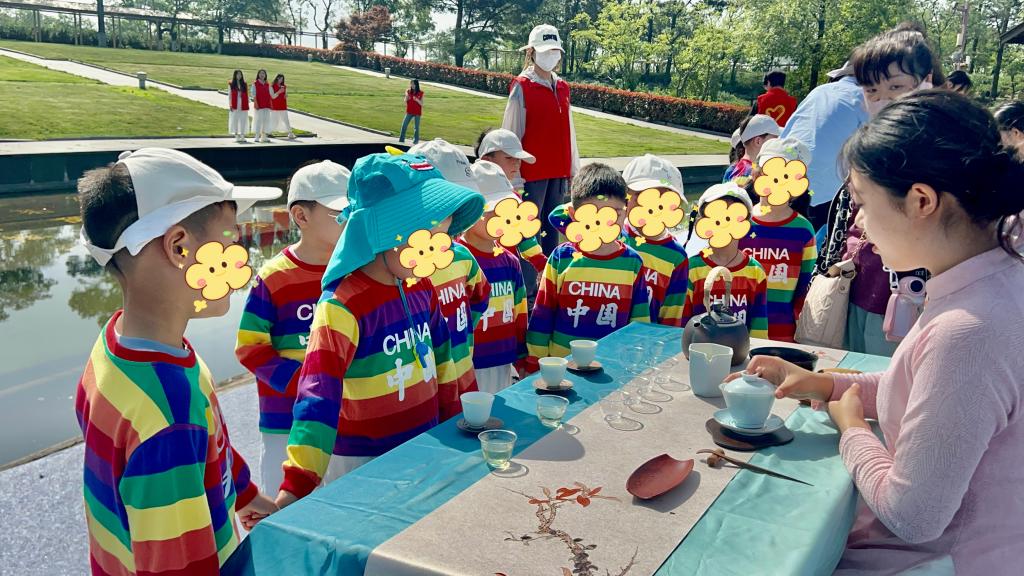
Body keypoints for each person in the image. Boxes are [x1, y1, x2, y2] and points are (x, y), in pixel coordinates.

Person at [737, 90, 1024, 575]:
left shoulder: (969, 331)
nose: (860, 224)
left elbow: (913, 516)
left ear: (921, 201)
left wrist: (851, 427)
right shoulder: (990, 282)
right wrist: (825, 385)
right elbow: (923, 393)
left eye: (863, 203)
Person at [75, 148, 281, 574]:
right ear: (180, 247)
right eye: (229, 242)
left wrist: (247, 496)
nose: (240, 257)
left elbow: (211, 442)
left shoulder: (116, 348)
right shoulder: (169, 418)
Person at [276, 153, 484, 507]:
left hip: (424, 445)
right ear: (384, 230)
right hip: (363, 465)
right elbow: (317, 398)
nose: (435, 255)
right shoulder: (342, 307)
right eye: (427, 242)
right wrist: (296, 486)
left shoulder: (421, 287)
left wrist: (454, 425)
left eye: (442, 242)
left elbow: (444, 362)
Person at [235, 160, 349, 491]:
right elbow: (250, 348)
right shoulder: (273, 278)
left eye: (352, 211)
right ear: (301, 216)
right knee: (285, 502)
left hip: (342, 416)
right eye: (339, 213)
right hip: (286, 419)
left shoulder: (354, 273)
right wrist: (306, 383)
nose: (349, 220)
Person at [842, 27, 937, 356]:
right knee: (855, 371)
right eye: (872, 90)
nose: (884, 100)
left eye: (896, 87)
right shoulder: (869, 145)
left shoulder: (940, 150)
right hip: (861, 284)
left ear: (925, 82)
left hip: (915, 298)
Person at [526, 163, 650, 373]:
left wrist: (636, 365)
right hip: (561, 368)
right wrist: (533, 363)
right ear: (574, 214)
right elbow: (542, 314)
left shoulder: (632, 263)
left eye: (614, 214)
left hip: (613, 368)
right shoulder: (561, 257)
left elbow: (639, 323)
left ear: (626, 211)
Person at [408, 139, 491, 399]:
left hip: (463, 378)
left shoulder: (461, 256)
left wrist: (460, 331)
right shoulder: (398, 269)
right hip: (419, 392)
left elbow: (480, 296)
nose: (454, 210)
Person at [503, 24, 581, 258]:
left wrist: (574, 169)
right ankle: (528, 279)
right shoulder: (522, 86)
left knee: (553, 229)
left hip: (558, 171)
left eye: (554, 51)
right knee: (529, 231)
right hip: (531, 174)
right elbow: (511, 133)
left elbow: (569, 131)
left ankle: (550, 276)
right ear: (532, 52)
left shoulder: (563, 87)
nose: (550, 56)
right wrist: (512, 174)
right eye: (545, 50)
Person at [460, 160, 529, 393]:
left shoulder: (510, 262)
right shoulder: (458, 261)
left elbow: (520, 313)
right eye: (493, 210)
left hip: (502, 361)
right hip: (467, 364)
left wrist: (523, 357)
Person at [738, 138, 817, 342]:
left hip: (781, 334)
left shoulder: (803, 231)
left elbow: (805, 288)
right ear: (756, 175)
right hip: (735, 330)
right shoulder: (737, 222)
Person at [780, 59, 869, 231]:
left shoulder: (819, 91)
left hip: (788, 176)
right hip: (826, 191)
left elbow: (786, 135)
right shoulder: (866, 100)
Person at [681, 183, 768, 339]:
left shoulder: (755, 272)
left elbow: (759, 328)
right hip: (699, 348)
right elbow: (683, 324)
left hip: (740, 350)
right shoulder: (692, 269)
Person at [475, 127, 548, 301]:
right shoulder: (470, 194)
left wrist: (540, 262)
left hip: (505, 270)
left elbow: (523, 235)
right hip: (474, 269)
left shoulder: (513, 197)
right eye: (509, 158)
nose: (516, 164)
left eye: (518, 159)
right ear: (486, 160)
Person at [621, 154, 690, 326]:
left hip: (645, 340)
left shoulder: (676, 257)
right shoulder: (611, 236)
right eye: (642, 197)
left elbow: (671, 319)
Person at [723, 114, 780, 183]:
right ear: (758, 141)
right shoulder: (753, 175)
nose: (777, 144)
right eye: (774, 140)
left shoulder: (734, 168)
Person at [270, 73, 296, 140]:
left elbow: (285, 95)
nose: (281, 80)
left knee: (286, 120)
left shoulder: (284, 86)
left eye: (282, 79)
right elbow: (272, 97)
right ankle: (268, 132)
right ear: (277, 78)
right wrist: (279, 92)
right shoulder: (272, 86)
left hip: (282, 105)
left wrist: (286, 95)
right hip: (275, 106)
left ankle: (290, 133)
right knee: (274, 120)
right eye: (280, 78)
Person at [399, 79, 423, 144]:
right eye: (411, 84)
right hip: (409, 111)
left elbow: (421, 103)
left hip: (417, 112)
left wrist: (417, 100)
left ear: (416, 84)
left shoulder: (421, 92)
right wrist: (407, 97)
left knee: (416, 127)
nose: (412, 85)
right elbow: (405, 100)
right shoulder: (408, 91)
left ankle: (415, 141)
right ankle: (401, 140)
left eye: (413, 84)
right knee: (404, 125)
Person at [229, 69, 249, 143]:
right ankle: (236, 135)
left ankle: (242, 135)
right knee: (235, 120)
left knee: (243, 120)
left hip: (243, 104)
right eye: (237, 74)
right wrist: (230, 104)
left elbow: (246, 94)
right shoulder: (231, 84)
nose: (239, 76)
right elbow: (230, 95)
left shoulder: (244, 84)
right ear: (235, 75)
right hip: (235, 104)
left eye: (240, 74)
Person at [253, 69, 272, 143]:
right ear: (258, 74)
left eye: (263, 73)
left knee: (266, 121)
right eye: (260, 73)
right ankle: (257, 137)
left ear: (265, 75)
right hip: (259, 105)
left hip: (266, 105)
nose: (262, 75)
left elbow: (270, 94)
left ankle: (264, 137)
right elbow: (253, 94)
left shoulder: (267, 84)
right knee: (258, 121)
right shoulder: (255, 83)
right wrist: (256, 103)